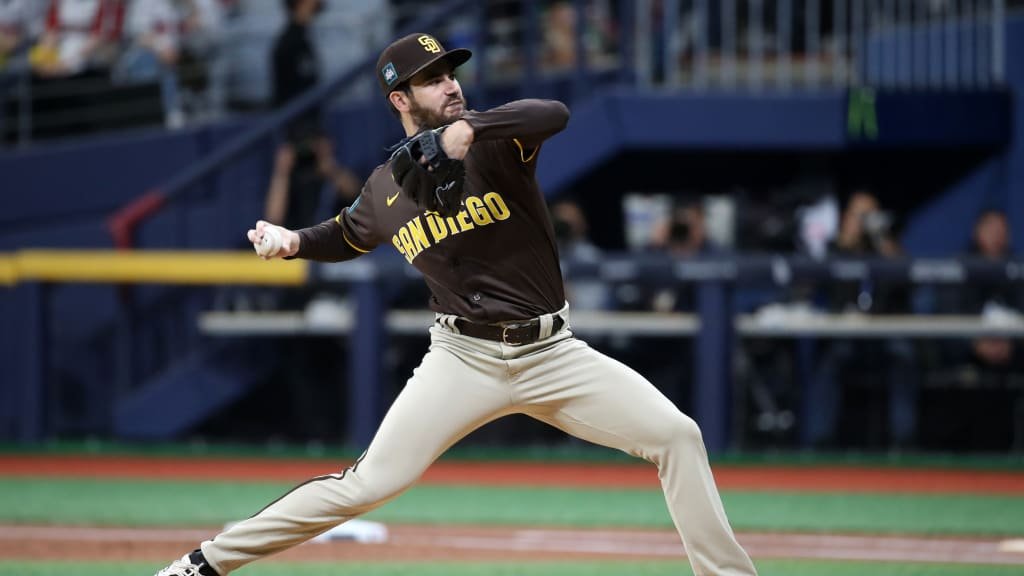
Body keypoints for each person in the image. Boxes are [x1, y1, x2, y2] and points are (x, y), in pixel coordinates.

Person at [154, 32, 757, 576]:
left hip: (553, 353)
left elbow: (555, 112)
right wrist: (294, 242)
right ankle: (203, 564)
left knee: (677, 436)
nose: (451, 84)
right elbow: (350, 233)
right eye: (433, 78)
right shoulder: (387, 185)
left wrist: (471, 129)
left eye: (451, 72)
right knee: (366, 484)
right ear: (400, 99)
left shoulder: (495, 142)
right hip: (461, 357)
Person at [802, 190, 918, 449]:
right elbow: (818, 287)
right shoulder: (836, 249)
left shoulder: (888, 249)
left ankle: (904, 443)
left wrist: (882, 241)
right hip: (847, 336)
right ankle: (819, 443)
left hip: (884, 334)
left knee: (903, 355)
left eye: (870, 215)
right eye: (859, 215)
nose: (865, 222)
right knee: (830, 360)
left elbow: (909, 283)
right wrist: (847, 242)